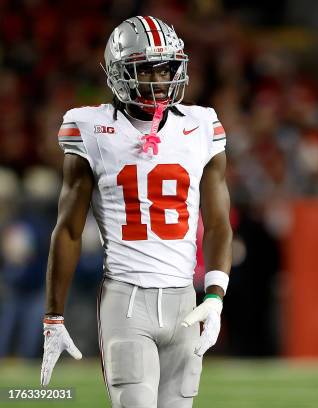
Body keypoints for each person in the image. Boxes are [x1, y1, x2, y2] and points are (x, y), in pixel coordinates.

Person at [40, 16, 232, 408]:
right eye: (146, 68)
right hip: (126, 301)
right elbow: (69, 230)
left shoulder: (201, 125)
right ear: (118, 72)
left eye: (166, 67)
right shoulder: (90, 128)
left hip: (184, 302)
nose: (159, 78)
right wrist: (53, 317)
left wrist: (215, 294)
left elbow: (216, 223)